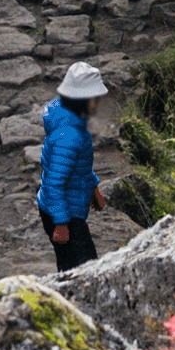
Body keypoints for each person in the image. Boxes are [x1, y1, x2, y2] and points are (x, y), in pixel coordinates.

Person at [38, 62, 109, 273]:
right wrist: (61, 224)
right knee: (84, 268)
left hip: (67, 208)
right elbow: (54, 181)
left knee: (72, 265)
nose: (98, 103)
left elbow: (77, 167)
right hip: (64, 215)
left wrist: (93, 188)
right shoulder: (69, 135)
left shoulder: (72, 122)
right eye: (95, 99)